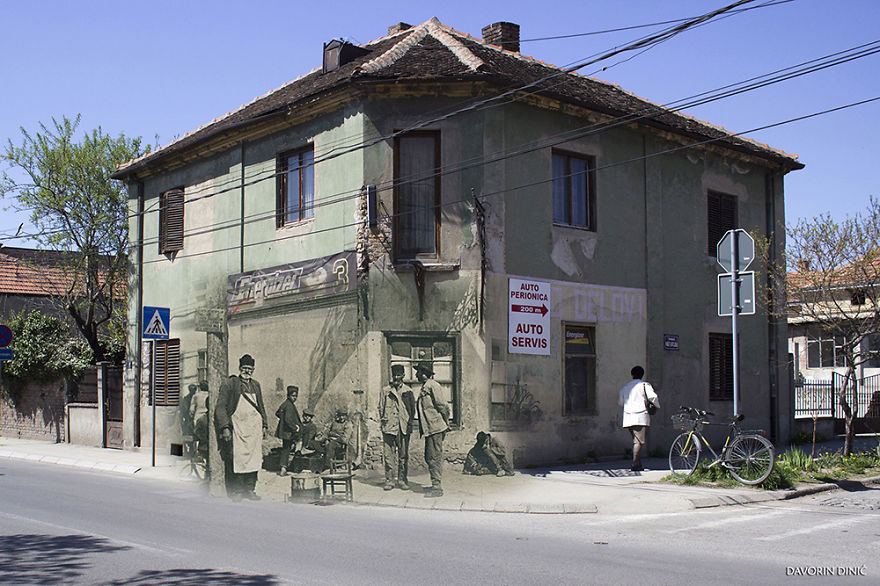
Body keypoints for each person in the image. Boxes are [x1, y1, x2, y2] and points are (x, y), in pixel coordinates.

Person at [215, 354, 268, 501]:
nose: (247, 371)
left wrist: (264, 424)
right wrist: (225, 427)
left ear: (253, 370)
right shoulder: (230, 384)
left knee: (254, 459)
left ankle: (250, 489)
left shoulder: (256, 385)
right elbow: (220, 407)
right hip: (238, 428)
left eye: (250, 369)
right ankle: (237, 491)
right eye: (244, 368)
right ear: (239, 368)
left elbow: (261, 406)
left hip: (254, 430)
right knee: (238, 458)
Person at [378, 364, 415, 491]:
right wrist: (385, 421)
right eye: (394, 375)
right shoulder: (386, 391)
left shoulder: (408, 391)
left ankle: (402, 479)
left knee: (403, 456)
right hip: (389, 427)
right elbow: (381, 407)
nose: (396, 378)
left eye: (399, 375)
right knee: (388, 455)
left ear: (403, 376)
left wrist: (408, 423)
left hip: (402, 427)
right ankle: (389, 480)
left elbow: (412, 411)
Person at [415, 362, 449, 497]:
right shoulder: (426, 386)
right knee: (429, 456)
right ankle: (435, 484)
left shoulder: (433, 385)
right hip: (430, 428)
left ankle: (437, 487)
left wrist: (445, 422)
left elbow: (443, 406)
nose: (416, 375)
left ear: (424, 373)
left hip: (435, 427)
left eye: (418, 372)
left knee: (434, 457)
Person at [618, 365, 659, 472]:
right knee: (639, 442)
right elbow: (653, 397)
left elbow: (620, 402)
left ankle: (638, 463)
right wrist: (656, 406)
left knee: (635, 440)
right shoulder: (644, 385)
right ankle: (635, 463)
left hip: (628, 417)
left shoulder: (625, 387)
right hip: (640, 416)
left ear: (632, 375)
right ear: (642, 374)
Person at [275, 385, 302, 476]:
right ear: (288, 395)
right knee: (287, 449)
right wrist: (295, 427)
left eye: (296, 396)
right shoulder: (289, 405)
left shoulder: (285, 404)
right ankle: (284, 468)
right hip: (289, 432)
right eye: (293, 396)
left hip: (285, 431)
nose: (295, 398)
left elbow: (278, 413)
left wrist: (282, 421)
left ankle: (285, 467)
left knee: (286, 449)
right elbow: (288, 419)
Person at [319, 407, 355, 472]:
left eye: (343, 416)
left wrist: (333, 438)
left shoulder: (348, 424)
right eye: (340, 415)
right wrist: (326, 438)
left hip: (341, 444)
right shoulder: (334, 423)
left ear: (346, 416)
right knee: (318, 444)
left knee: (330, 445)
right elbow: (328, 432)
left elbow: (344, 439)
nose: (341, 417)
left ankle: (328, 466)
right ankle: (317, 465)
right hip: (331, 440)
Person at [189, 380, 210, 460]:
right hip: (207, 416)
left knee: (197, 436)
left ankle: (197, 453)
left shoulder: (196, 396)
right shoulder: (210, 394)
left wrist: (191, 416)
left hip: (198, 416)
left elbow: (191, 409)